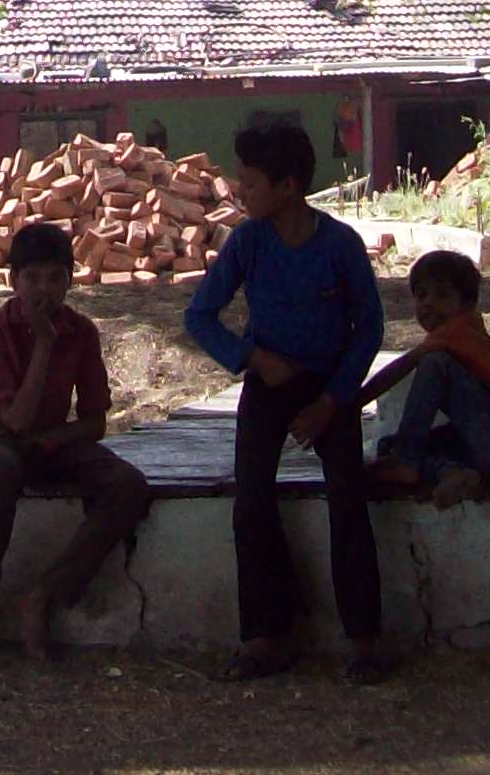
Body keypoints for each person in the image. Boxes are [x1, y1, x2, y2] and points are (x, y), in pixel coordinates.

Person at [184, 119, 391, 682]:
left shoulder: (340, 245)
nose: (239, 192)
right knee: (250, 502)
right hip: (267, 384)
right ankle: (264, 636)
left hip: (332, 386)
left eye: (249, 183)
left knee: (348, 499)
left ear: (289, 186)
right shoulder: (246, 242)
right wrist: (253, 359)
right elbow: (198, 317)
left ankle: (364, 638)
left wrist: (332, 400)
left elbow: (369, 328)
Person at [0, 220, 155, 667]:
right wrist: (43, 344)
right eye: (32, 279)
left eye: (55, 278)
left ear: (70, 280)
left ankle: (47, 593)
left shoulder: (82, 332)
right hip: (0, 437)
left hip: (51, 441)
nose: (44, 290)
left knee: (128, 485)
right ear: (13, 282)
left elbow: (95, 421)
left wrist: (55, 441)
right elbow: (15, 420)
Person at [356, 249, 490, 506]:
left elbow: (403, 366)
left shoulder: (457, 329)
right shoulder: (452, 334)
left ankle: (406, 463)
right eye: (422, 295)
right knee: (390, 446)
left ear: (466, 304)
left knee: (433, 365)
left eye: (442, 294)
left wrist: (353, 402)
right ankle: (452, 473)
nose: (429, 303)